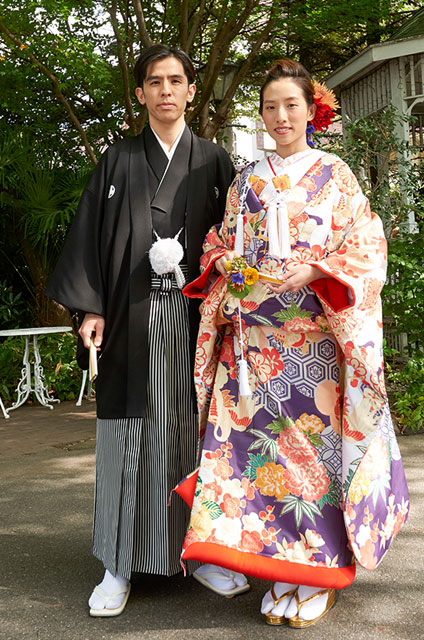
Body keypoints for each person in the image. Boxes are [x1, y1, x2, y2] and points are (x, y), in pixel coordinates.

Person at [176, 59, 410, 627]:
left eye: (290, 105)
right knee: (265, 461)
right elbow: (217, 245)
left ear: (312, 110)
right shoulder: (247, 181)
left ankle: (319, 570)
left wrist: (319, 270)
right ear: (261, 117)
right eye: (270, 108)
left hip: (316, 344)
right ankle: (280, 568)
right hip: (258, 344)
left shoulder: (337, 175)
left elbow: (367, 246)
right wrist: (231, 266)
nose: (280, 117)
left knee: (315, 459)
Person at [46, 44, 241, 617]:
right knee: (127, 437)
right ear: (141, 93)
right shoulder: (119, 159)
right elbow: (90, 238)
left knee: (193, 431)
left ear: (189, 90)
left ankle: (201, 552)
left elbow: (235, 238)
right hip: (131, 316)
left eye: (175, 81)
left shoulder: (214, 161)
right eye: (154, 82)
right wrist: (91, 308)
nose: (165, 91)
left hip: (194, 320)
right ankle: (119, 561)